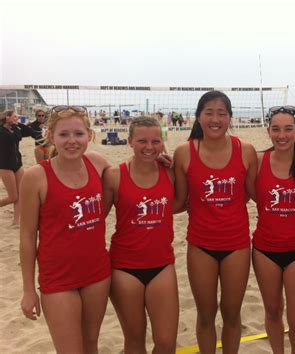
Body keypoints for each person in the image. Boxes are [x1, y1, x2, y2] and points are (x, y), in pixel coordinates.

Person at [19, 105, 111, 353]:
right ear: (51, 136)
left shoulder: (98, 163)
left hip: (97, 273)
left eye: (79, 134)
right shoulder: (36, 176)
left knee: (91, 344)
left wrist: (159, 160)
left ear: (89, 136)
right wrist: (28, 290)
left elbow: (133, 178)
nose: (72, 141)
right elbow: (27, 237)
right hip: (58, 279)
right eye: (64, 134)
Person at [173, 90, 257, 353]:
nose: (215, 119)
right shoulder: (184, 153)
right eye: (208, 112)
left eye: (222, 113)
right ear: (198, 117)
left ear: (230, 117)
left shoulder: (246, 151)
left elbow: (256, 195)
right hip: (201, 244)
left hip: (237, 244)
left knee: (231, 314)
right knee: (206, 314)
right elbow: (179, 202)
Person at [103, 116, 178, 353]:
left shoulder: (171, 172)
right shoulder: (115, 175)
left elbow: (187, 203)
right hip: (124, 266)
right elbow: (95, 221)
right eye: (142, 141)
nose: (149, 147)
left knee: (166, 343)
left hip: (162, 264)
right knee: (134, 341)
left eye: (156, 141)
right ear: (130, 142)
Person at [252, 105, 295, 353]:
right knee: (272, 311)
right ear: (268, 131)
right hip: (264, 250)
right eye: (276, 129)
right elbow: (252, 194)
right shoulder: (258, 160)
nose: (281, 135)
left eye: (288, 129)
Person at [0, 110, 32, 225]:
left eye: (17, 117)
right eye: (14, 117)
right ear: (7, 117)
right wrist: (16, 126)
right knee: (12, 197)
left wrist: (19, 125)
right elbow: (15, 138)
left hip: (18, 165)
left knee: (20, 195)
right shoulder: (2, 131)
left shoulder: (15, 128)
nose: (16, 119)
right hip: (5, 166)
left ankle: (16, 221)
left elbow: (29, 132)